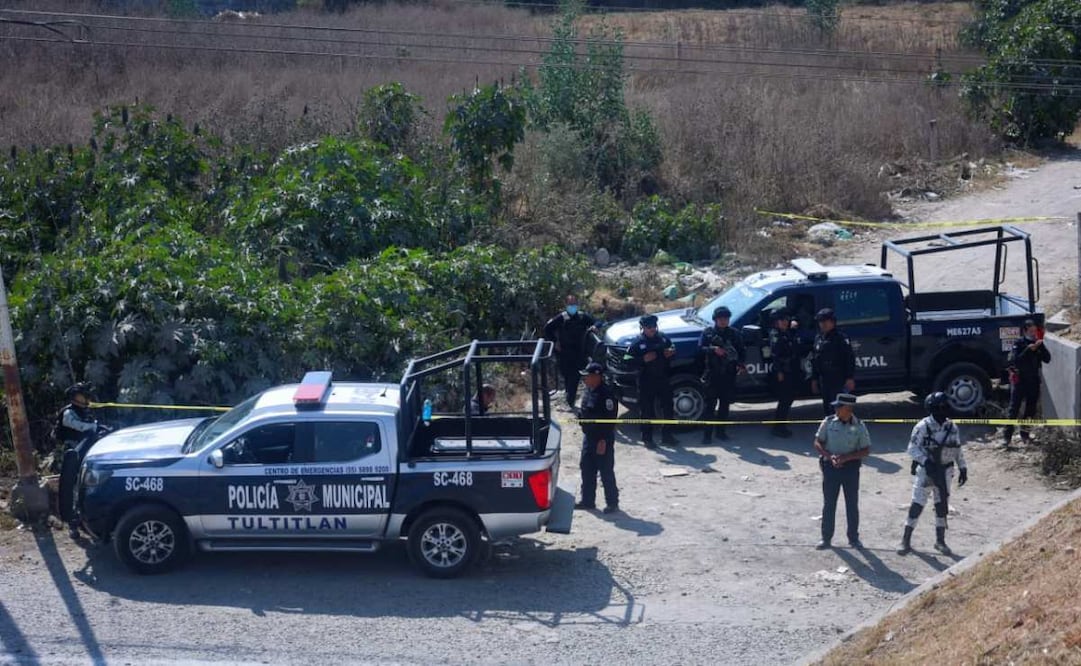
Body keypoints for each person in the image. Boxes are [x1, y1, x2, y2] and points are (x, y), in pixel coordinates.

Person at [898, 392, 968, 556]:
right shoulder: (923, 427)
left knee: (941, 504)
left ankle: (940, 541)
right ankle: (905, 539)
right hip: (927, 471)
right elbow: (912, 448)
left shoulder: (952, 427)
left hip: (946, 471)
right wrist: (925, 461)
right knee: (917, 504)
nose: (947, 410)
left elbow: (957, 448)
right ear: (935, 409)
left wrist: (963, 467)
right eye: (944, 407)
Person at [813, 393, 871, 550]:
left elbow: (866, 450)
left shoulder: (859, 426)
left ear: (848, 409)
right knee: (829, 504)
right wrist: (828, 456)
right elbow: (818, 442)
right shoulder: (829, 422)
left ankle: (853, 538)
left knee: (851, 504)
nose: (836, 409)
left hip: (850, 469)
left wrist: (847, 458)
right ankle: (826, 539)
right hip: (830, 468)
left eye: (839, 406)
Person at [56, 382, 110, 539]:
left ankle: (88, 519)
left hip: (86, 456)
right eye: (82, 394)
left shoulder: (85, 411)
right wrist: (94, 427)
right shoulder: (68, 413)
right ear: (75, 397)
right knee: (72, 488)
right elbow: (79, 427)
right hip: (71, 456)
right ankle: (73, 524)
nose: (86, 396)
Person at [624, 314, 678, 449]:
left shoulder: (663, 338)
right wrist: (642, 360)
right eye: (649, 327)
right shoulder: (637, 342)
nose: (653, 329)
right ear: (643, 328)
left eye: (654, 326)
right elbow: (626, 359)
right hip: (646, 380)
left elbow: (673, 348)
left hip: (663, 378)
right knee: (646, 410)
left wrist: (671, 352)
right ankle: (647, 437)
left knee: (668, 407)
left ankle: (667, 436)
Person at [575, 362, 620, 514]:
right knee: (587, 468)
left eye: (587, 376)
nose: (585, 379)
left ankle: (612, 503)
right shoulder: (588, 390)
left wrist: (603, 440)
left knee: (605, 470)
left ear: (596, 377)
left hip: (602, 439)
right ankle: (587, 501)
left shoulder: (606, 395)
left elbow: (610, 420)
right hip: (589, 437)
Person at [698, 306, 745, 443]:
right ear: (715, 319)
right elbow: (700, 348)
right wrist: (713, 350)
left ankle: (721, 432)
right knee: (710, 406)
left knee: (725, 405)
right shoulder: (708, 333)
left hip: (728, 374)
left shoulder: (734, 334)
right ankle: (707, 435)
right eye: (721, 319)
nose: (724, 321)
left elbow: (742, 351)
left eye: (726, 318)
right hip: (713, 374)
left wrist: (740, 363)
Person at [543, 295, 598, 409]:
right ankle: (569, 397)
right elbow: (547, 329)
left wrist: (594, 326)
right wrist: (555, 341)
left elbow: (597, 322)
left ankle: (570, 401)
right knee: (567, 376)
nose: (572, 306)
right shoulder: (562, 317)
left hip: (579, 352)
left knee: (575, 377)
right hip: (565, 353)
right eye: (570, 304)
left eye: (574, 304)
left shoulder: (582, 316)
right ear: (566, 305)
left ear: (577, 305)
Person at [1003, 319, 1051, 449]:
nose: (1033, 334)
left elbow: (1047, 359)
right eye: (1031, 331)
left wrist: (1040, 346)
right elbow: (1016, 361)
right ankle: (1006, 437)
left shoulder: (1038, 343)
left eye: (1035, 331)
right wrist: (1029, 349)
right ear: (1025, 331)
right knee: (1013, 409)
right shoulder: (1019, 343)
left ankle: (1025, 434)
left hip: (1033, 381)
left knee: (1030, 409)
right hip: (1020, 381)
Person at [811, 308, 856, 416]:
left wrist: (850, 378)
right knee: (827, 409)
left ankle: (839, 431)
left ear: (832, 322)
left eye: (825, 321)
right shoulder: (819, 338)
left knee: (839, 408)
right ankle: (829, 431)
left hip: (837, 378)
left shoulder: (841, 338)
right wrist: (814, 379)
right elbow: (815, 360)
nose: (823, 324)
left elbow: (849, 358)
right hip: (824, 378)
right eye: (821, 322)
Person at [768, 308, 800, 438]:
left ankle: (780, 424)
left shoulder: (786, 332)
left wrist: (793, 329)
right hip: (783, 371)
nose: (785, 322)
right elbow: (775, 356)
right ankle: (778, 427)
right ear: (776, 322)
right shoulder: (776, 335)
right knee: (785, 400)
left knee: (788, 398)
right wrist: (780, 372)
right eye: (782, 320)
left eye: (786, 319)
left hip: (791, 370)